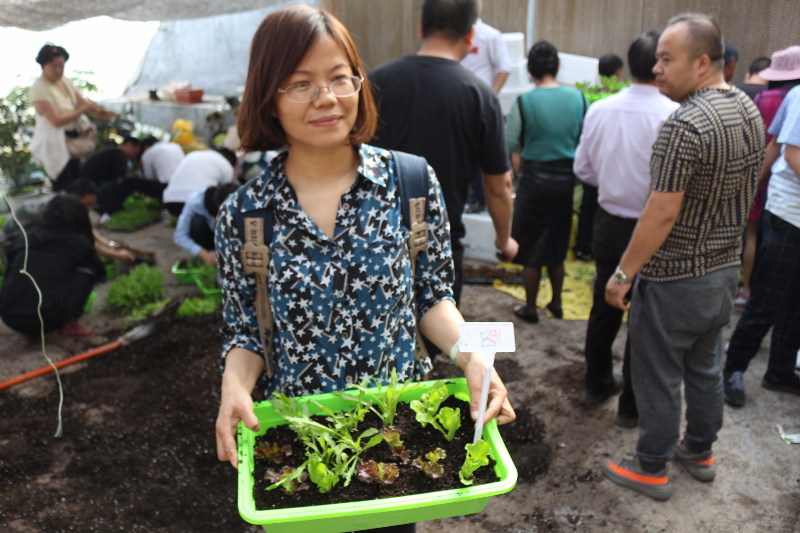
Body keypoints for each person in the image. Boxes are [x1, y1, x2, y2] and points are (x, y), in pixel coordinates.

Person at [214, 9, 514, 533]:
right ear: (268, 97)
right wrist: (233, 386)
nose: (326, 97)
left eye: (339, 77)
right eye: (299, 84)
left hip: (397, 437)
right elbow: (245, 330)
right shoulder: (245, 214)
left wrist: (474, 360)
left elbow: (432, 297)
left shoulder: (410, 183)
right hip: (301, 444)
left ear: (360, 84)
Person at [601, 14, 765, 501]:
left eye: (667, 60)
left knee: (658, 375)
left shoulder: (685, 124)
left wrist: (622, 273)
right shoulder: (747, 109)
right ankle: (700, 450)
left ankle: (651, 465)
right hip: (722, 275)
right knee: (705, 369)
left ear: (700, 63)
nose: (657, 69)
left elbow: (661, 212)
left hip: (675, 278)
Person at [368, 0, 518, 306]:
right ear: (471, 35)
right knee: (436, 334)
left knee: (377, 339)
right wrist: (504, 240)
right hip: (440, 242)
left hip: (375, 237)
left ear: (421, 29)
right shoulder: (480, 96)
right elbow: (498, 186)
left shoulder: (376, 83)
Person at [573, 31, 679, 421]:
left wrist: (615, 180)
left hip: (612, 224)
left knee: (604, 308)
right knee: (645, 317)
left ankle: (595, 384)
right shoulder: (671, 114)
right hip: (656, 230)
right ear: (658, 66)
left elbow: (583, 169)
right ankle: (631, 406)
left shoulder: (601, 109)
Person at [723, 83, 800, 407]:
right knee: (767, 298)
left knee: (796, 302)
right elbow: (791, 152)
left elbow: (773, 144)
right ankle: (732, 370)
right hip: (789, 215)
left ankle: (780, 371)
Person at [505, 40, 588, 324]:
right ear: (557, 66)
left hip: (533, 182)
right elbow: (584, 138)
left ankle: (530, 309)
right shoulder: (578, 99)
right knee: (557, 245)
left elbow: (509, 141)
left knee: (530, 248)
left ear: (530, 71)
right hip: (565, 182)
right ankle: (557, 303)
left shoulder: (525, 102)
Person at [735, 46, 800, 309]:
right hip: (787, 199)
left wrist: (750, 183)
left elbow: (767, 142)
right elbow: (789, 152)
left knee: (752, 235)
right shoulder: (794, 97)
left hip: (768, 184)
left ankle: (747, 290)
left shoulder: (765, 98)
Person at [0, 195, 106, 338]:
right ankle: (70, 325)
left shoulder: (25, 238)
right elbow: (100, 270)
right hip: (48, 320)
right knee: (88, 270)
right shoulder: (78, 242)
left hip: (9, 316)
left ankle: (27, 331)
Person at [28, 43, 116, 192]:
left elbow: (82, 102)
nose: (58, 70)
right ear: (43, 65)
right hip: (55, 142)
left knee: (75, 181)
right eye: (53, 66)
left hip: (71, 139)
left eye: (61, 65)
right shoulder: (38, 88)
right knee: (63, 184)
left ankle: (76, 211)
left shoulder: (65, 81)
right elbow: (56, 121)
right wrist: (83, 110)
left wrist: (101, 113)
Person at [0, 179, 134, 264]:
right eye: (88, 204)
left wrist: (109, 244)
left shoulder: (66, 200)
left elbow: (86, 229)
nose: (90, 209)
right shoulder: (62, 209)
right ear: (77, 197)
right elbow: (85, 242)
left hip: (29, 236)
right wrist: (119, 256)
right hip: (12, 242)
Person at [459, 1, 512, 211]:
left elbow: (504, 67)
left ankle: (480, 200)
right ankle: (464, 198)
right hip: (458, 104)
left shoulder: (491, 35)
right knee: (462, 152)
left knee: (482, 153)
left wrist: (490, 96)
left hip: (480, 105)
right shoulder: (456, 32)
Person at [80, 137, 166, 216]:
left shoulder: (112, 152)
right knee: (126, 184)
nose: (134, 156)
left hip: (88, 186)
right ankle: (109, 211)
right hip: (95, 188)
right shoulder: (118, 154)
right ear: (129, 144)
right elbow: (121, 180)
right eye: (136, 153)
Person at [173, 183, 238, 267]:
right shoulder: (195, 202)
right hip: (209, 235)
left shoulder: (233, 198)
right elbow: (179, 236)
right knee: (197, 222)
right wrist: (203, 254)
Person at [162, 148, 236, 216]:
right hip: (198, 204)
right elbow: (225, 192)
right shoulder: (226, 164)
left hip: (170, 202)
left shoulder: (192, 154)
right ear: (230, 161)